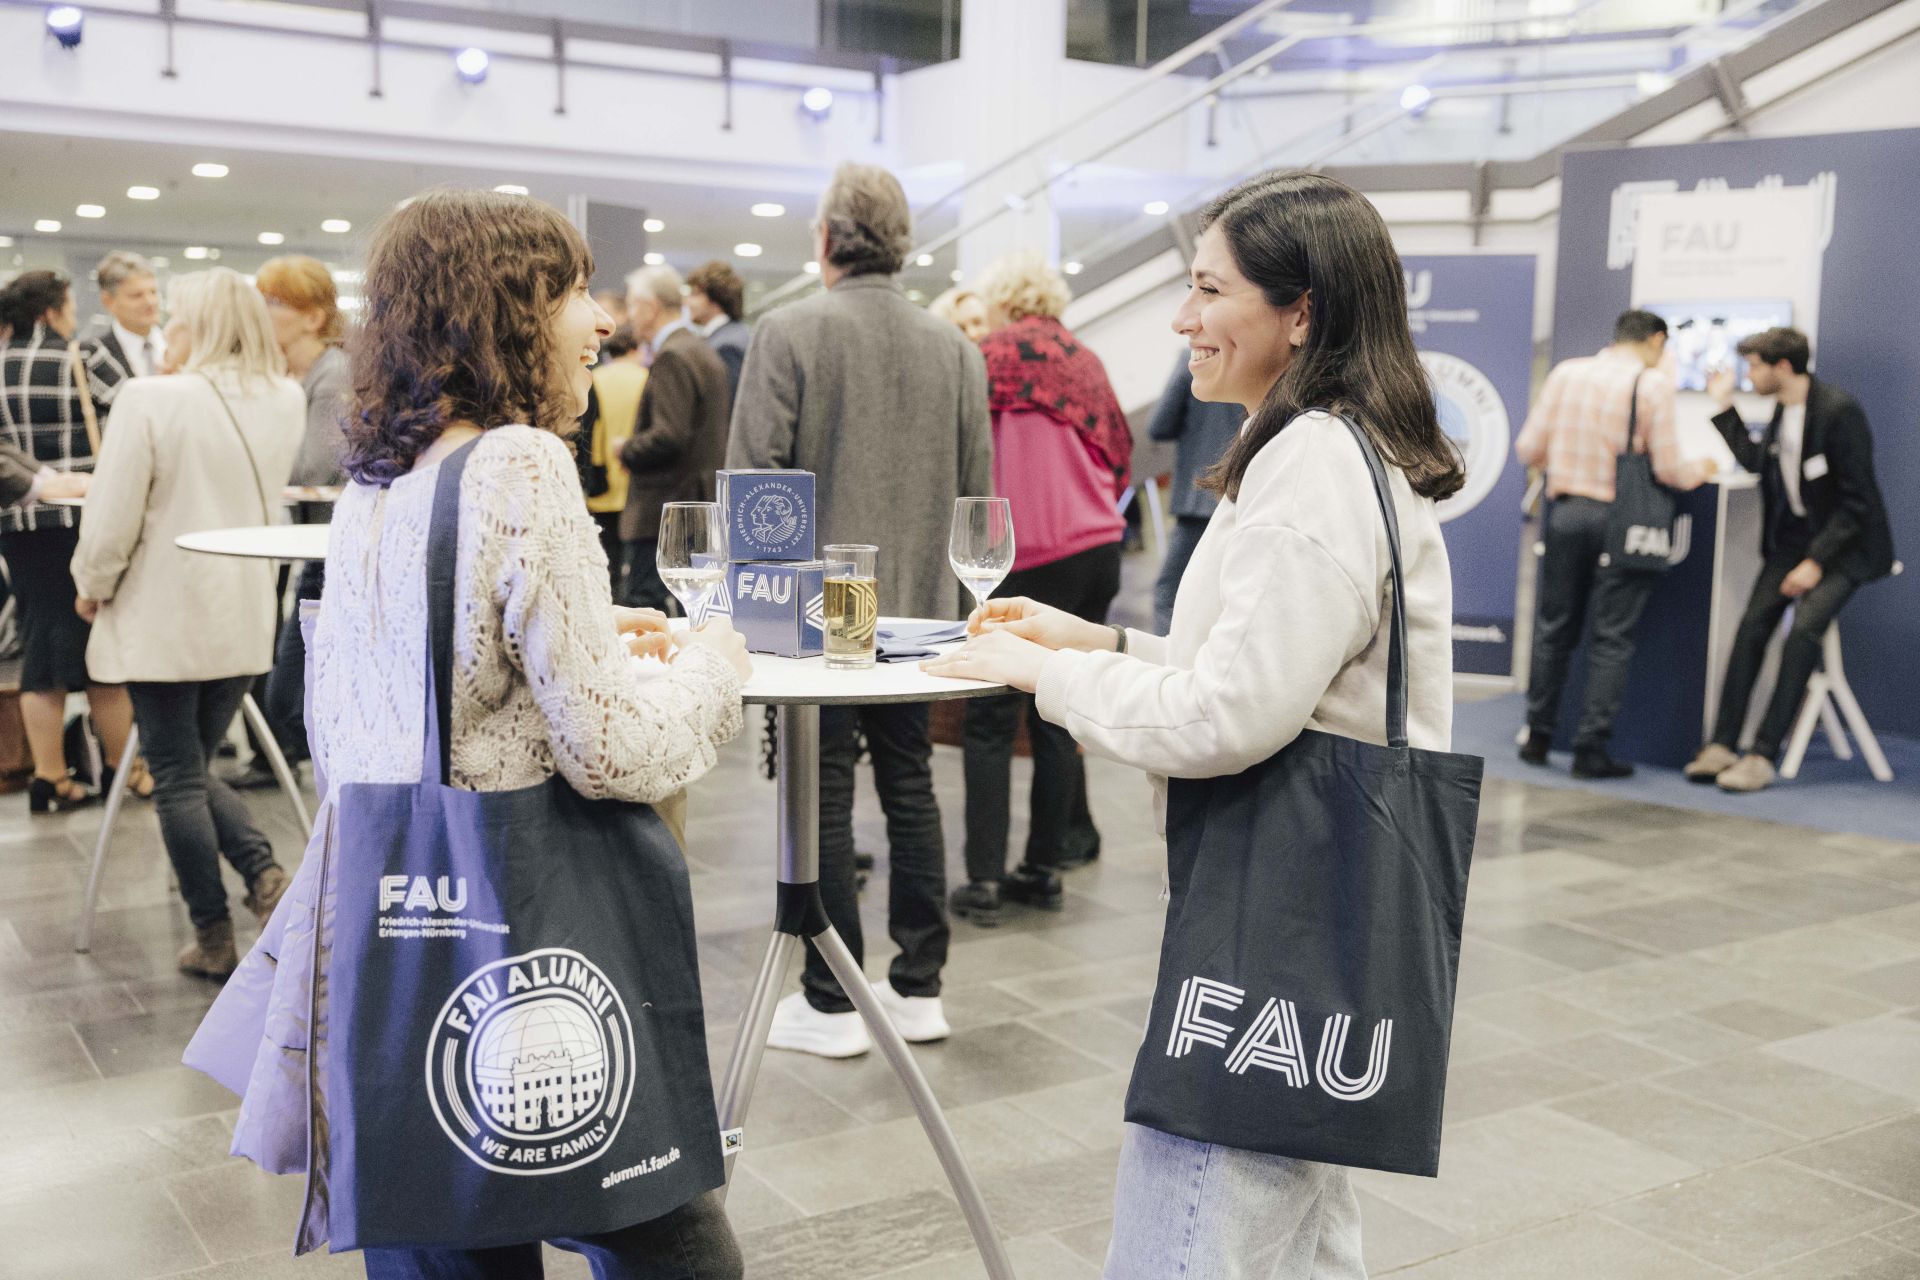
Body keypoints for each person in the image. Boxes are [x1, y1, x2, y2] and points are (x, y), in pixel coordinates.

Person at [184, 189, 752, 1275]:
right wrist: (713, 672)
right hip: (526, 933)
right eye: (575, 291)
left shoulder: (381, 475)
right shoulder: (520, 461)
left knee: (445, 1227)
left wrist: (585, 627)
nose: (601, 320)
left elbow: (431, 668)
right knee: (668, 1239)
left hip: (394, 926)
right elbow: (613, 750)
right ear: (507, 307)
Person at [925, 168, 1461, 1280]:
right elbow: (1268, 672)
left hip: (1272, 925)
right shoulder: (1328, 444)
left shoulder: (1314, 461)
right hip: (1315, 914)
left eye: (1210, 290)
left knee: (1186, 1238)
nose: (1183, 319)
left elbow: (1228, 715)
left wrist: (1045, 676)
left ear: (1301, 312)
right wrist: (1102, 644)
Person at [729, 161, 993, 1057]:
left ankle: (831, 998)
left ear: (826, 238)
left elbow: (755, 484)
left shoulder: (790, 331)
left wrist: (759, 615)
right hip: (919, 607)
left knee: (825, 788)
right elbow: (977, 494)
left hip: (815, 608)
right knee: (911, 783)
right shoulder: (955, 349)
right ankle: (920, 988)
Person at [70, 268, 305, 978]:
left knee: (174, 774)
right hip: (244, 610)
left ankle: (213, 935)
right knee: (192, 768)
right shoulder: (285, 396)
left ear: (195, 324)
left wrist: (91, 584)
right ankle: (265, 877)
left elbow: (113, 514)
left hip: (162, 608)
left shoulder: (151, 398)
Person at [950, 251, 1129, 927]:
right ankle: (1044, 869)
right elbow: (1119, 450)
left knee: (990, 721)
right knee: (1061, 708)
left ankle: (983, 879)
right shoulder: (1085, 360)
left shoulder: (988, 356)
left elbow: (962, 450)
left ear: (1001, 300)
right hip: (1095, 547)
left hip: (1019, 554)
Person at [1685, 328, 1896, 793]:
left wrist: (1816, 562)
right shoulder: (1784, 409)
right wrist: (1724, 406)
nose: (1749, 375)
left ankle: (1761, 755)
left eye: (1755, 366)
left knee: (1802, 633)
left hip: (1847, 548)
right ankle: (1722, 745)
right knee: (1752, 627)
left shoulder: (1838, 411)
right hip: (1795, 541)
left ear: (1782, 367)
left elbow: (1857, 502)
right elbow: (1759, 463)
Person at [1514, 310, 1715, 779]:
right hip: (1620, 519)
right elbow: (1668, 467)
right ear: (1657, 341)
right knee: (1612, 638)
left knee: (1553, 629)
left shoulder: (1567, 373)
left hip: (1565, 514)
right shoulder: (1651, 384)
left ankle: (1538, 736)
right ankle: (1590, 749)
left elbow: (1529, 449)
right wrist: (1702, 469)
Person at [0, 270, 139, 813]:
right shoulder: (84, 356)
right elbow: (136, 415)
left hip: (18, 524)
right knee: (101, 642)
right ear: (50, 312)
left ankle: (49, 776)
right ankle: (125, 769)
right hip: (86, 515)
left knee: (39, 639)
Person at [251, 255, 352, 776]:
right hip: (305, 532)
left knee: (293, 667)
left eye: (274, 303)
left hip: (328, 538)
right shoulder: (294, 373)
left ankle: (287, 749)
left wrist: (253, 453)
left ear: (312, 316)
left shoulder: (332, 375)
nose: (262, 312)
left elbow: (316, 466)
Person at [619, 265, 732, 611]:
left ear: (651, 307)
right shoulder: (699, 349)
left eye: (632, 305)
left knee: (645, 607)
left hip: (665, 510)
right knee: (695, 609)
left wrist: (625, 449)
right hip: (694, 503)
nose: (629, 316)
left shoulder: (673, 355)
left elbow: (669, 435)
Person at [1146, 353, 1244, 633]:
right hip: (1245, 492)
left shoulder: (1192, 359)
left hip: (1199, 500)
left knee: (1169, 596)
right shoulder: (1253, 352)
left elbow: (1159, 426)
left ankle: (1173, 659)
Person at [585, 324, 647, 579]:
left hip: (603, 479)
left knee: (607, 559)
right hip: (637, 478)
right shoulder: (646, 378)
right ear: (636, 349)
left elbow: (593, 428)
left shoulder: (594, 378)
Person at [89, 250, 165, 382]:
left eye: (153, 292)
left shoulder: (180, 347)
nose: (150, 302)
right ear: (108, 301)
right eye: (137, 295)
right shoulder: (94, 358)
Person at [685, 260, 750, 400]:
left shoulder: (726, 347)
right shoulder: (732, 334)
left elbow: (727, 404)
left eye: (695, 294)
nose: (687, 302)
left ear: (716, 297)